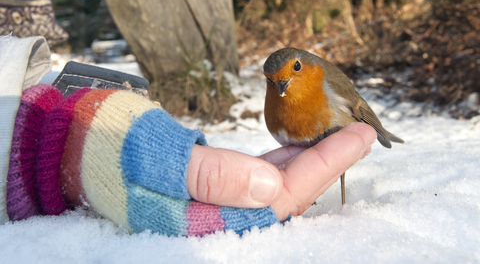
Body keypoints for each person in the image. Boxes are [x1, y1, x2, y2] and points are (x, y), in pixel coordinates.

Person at [0, 35, 376, 237]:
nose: (281, 86)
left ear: (305, 64)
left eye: (291, 72)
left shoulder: (327, 84)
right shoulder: (278, 99)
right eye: (273, 82)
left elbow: (359, 111)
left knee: (332, 158)